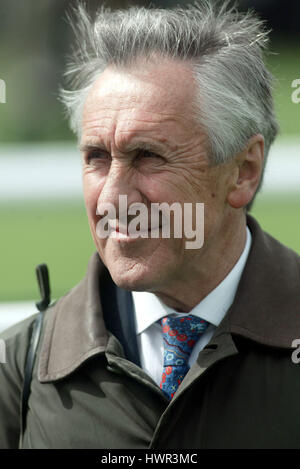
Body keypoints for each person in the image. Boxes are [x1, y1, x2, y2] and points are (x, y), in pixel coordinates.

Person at [1, 1, 300, 449]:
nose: (112, 199)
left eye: (148, 156)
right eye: (97, 158)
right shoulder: (20, 367)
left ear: (243, 170)